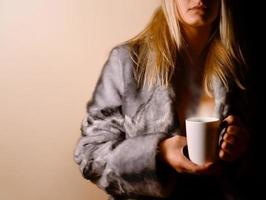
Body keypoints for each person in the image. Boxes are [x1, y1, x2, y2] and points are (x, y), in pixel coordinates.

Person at [74, 0, 251, 199]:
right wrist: (160, 152)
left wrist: (240, 147)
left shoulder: (240, 66)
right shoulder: (128, 63)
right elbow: (90, 155)